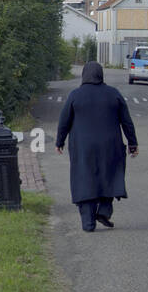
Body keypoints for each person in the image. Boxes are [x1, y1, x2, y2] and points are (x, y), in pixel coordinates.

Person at [55, 60, 138, 231]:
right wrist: (132, 143)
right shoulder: (113, 94)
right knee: (111, 175)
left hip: (83, 147)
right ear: (101, 74)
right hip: (110, 145)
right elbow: (126, 122)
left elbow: (64, 121)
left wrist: (59, 141)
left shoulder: (75, 95)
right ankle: (104, 210)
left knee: (84, 179)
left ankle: (88, 222)